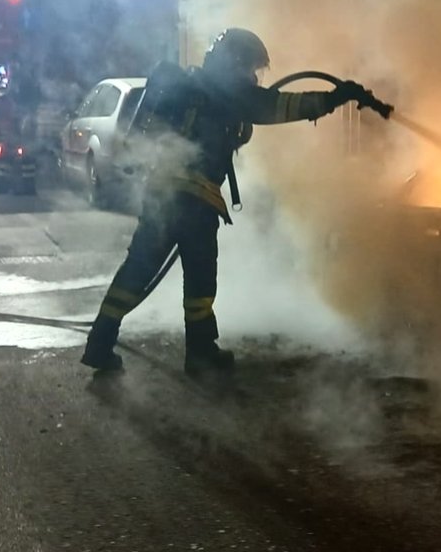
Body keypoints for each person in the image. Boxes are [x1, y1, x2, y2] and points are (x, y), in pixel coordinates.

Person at [80, 28, 379, 376]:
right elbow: (282, 106)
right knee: (200, 284)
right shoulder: (228, 93)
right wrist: (335, 97)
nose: (253, 76)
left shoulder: (191, 88)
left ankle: (99, 344)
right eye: (251, 66)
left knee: (136, 272)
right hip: (195, 201)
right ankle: (201, 354)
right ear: (235, 62)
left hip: (161, 196)